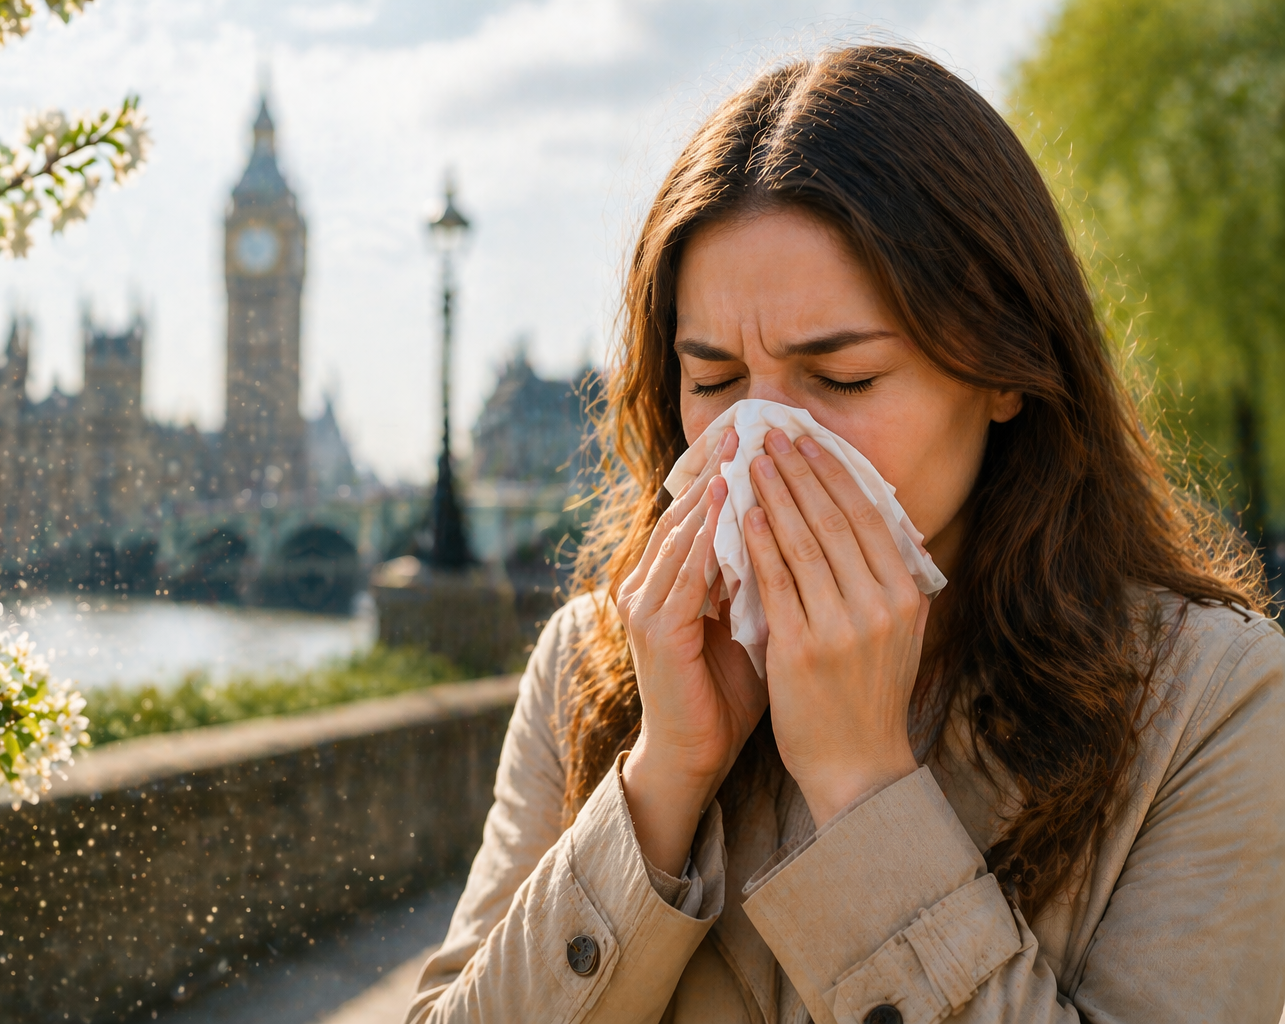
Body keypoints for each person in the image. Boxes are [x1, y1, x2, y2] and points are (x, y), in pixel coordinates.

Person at [405, 45, 1285, 1024]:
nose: (763, 445)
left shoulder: (1212, 701)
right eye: (716, 382)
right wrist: (660, 783)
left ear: (1004, 372)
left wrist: (865, 787)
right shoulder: (591, 663)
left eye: (845, 378)